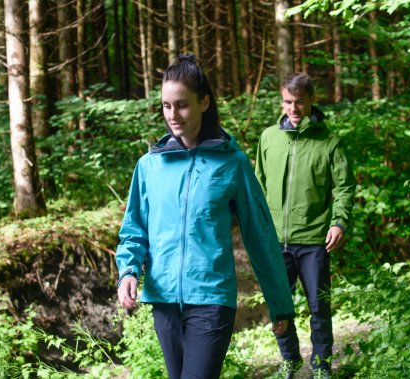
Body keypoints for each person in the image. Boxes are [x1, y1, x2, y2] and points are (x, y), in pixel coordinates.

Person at [115, 54, 295, 379]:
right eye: (166, 106)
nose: (173, 115)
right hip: (163, 299)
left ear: (204, 102)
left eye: (182, 105)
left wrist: (279, 302)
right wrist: (127, 271)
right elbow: (134, 230)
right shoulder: (149, 167)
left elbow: (260, 236)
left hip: (211, 297)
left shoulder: (233, 163)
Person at [255, 73, 355, 379]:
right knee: (278, 309)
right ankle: (289, 360)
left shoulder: (329, 142)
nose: (293, 108)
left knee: (319, 309)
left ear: (311, 100)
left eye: (299, 102)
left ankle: (322, 365)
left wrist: (339, 222)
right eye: (287, 101)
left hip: (314, 240)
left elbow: (345, 187)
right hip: (275, 242)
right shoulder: (268, 138)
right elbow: (257, 185)